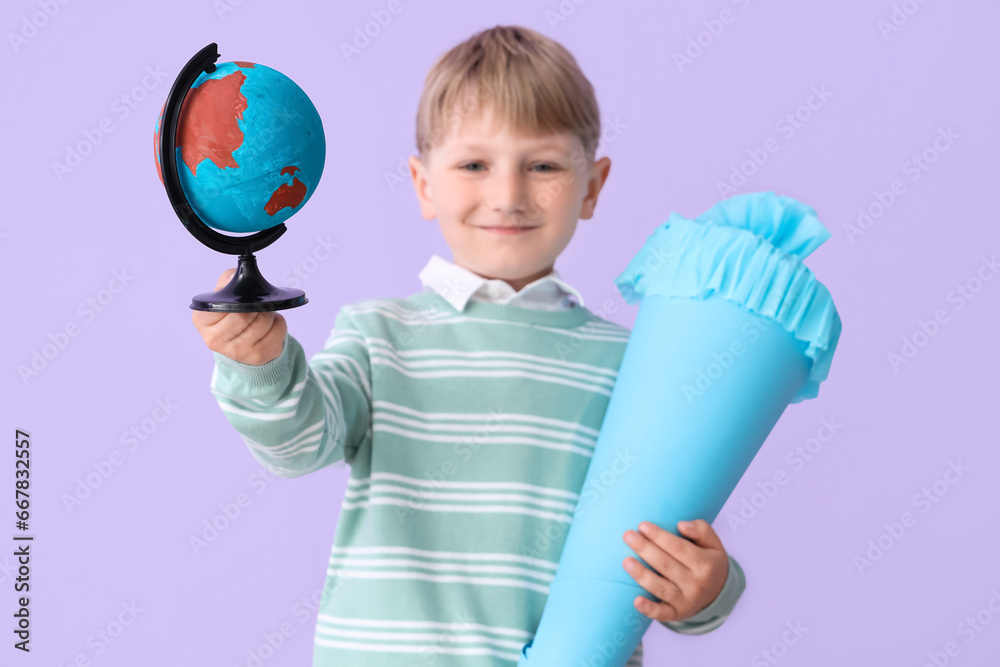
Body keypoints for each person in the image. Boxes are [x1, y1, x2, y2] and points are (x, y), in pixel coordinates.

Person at [193, 24, 746, 667]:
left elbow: (662, 541)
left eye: (541, 165)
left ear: (591, 186)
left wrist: (710, 589)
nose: (506, 195)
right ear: (424, 183)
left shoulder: (634, 367)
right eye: (474, 165)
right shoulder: (379, 336)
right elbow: (296, 446)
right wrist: (259, 367)